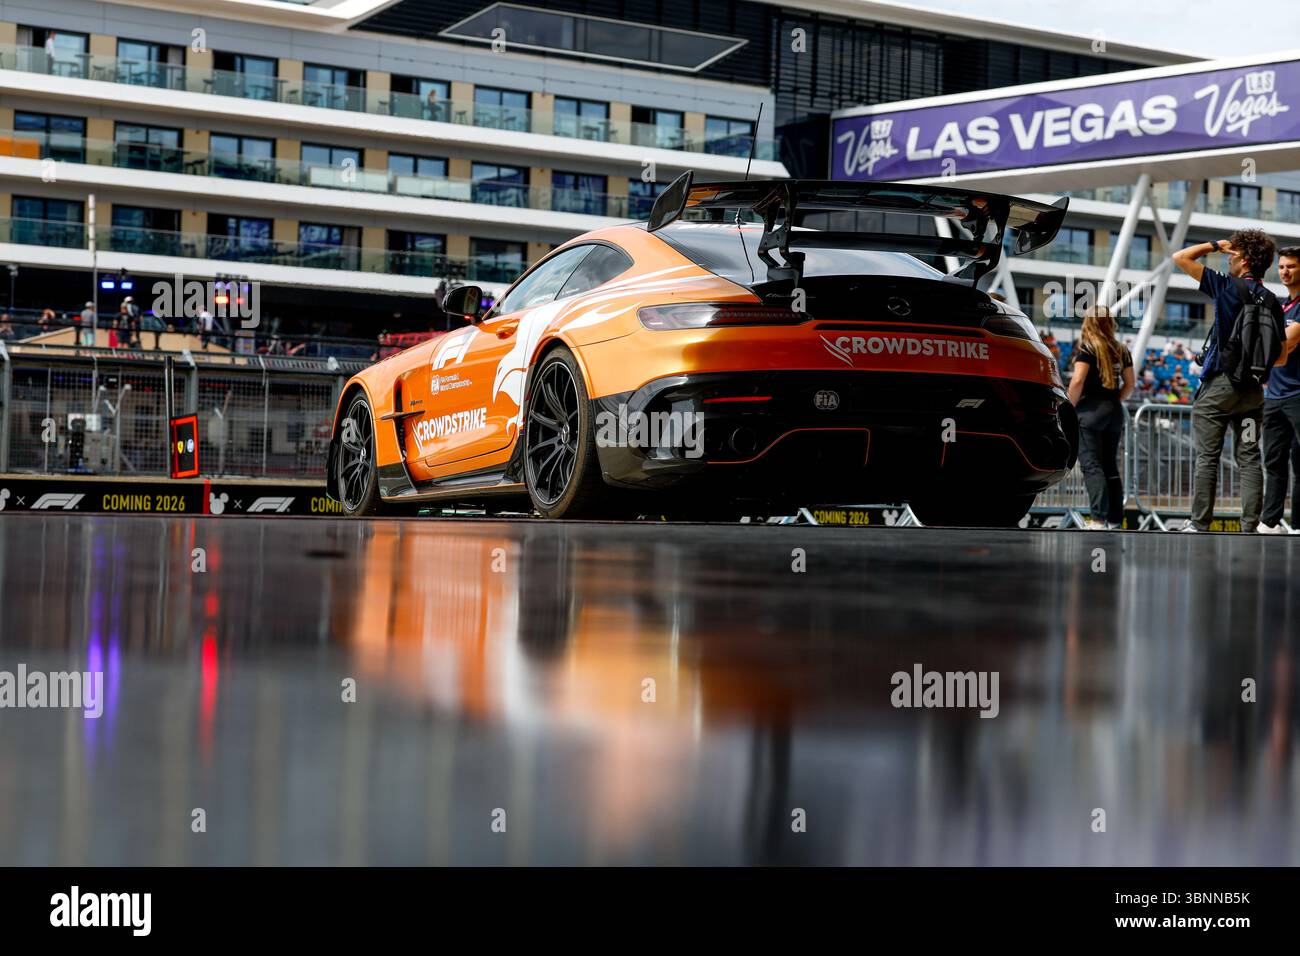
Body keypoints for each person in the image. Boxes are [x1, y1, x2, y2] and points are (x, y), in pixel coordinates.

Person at [1172, 230, 1284, 532]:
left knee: (1207, 456)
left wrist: (1213, 245)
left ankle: (1199, 524)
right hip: (1252, 393)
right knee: (1249, 457)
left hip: (1220, 389)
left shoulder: (1225, 286)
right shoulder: (1273, 300)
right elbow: (1281, 354)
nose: (1228, 258)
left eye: (1232, 255)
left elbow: (1180, 258)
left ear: (1245, 260)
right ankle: (1250, 526)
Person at [1068, 305, 1134, 529]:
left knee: (1092, 466)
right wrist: (1114, 401)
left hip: (1090, 413)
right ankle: (1115, 520)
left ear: (1090, 323)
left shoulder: (1088, 348)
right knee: (1110, 466)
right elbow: (1130, 383)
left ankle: (1097, 519)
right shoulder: (1121, 349)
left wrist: (1067, 408)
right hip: (1113, 412)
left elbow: (1077, 381)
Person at [1259, 246, 1300, 534]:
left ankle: (1299, 525)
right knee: (1273, 462)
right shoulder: (1281, 306)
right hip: (1273, 395)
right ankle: (1269, 523)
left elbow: (1285, 344)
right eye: (1282, 266)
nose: (1285, 271)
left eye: (1292, 267)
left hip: (1298, 395)